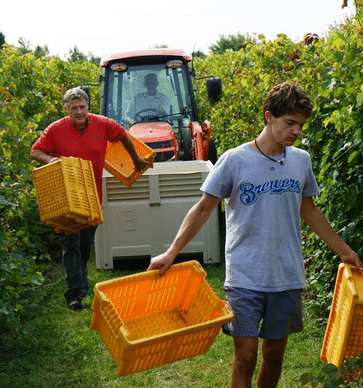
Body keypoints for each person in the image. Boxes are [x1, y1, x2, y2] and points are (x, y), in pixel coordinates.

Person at [147, 82, 363, 388]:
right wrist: (171, 253)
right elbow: (203, 208)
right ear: (268, 117)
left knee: (274, 356)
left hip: (287, 274)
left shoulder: (301, 160)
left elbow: (310, 211)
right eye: (290, 123)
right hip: (244, 275)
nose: (296, 132)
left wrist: (344, 250)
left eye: (301, 125)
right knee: (245, 358)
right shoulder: (235, 160)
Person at [31, 87, 148, 311]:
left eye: (82, 107)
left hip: (93, 198)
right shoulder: (56, 129)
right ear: (66, 109)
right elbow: (35, 151)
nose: (78, 111)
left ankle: (78, 280)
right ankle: (74, 293)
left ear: (88, 107)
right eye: (73, 108)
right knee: (70, 244)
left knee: (85, 244)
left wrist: (135, 159)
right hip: (66, 198)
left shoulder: (102, 124)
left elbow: (122, 134)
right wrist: (51, 160)